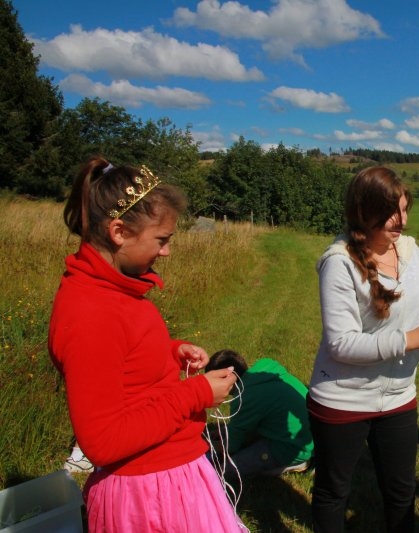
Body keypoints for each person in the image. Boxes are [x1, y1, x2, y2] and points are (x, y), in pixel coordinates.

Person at [48, 156, 245, 532]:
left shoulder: (110, 295)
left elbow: (121, 360)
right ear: (119, 232)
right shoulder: (91, 311)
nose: (166, 251)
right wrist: (197, 393)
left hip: (166, 474)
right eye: (161, 240)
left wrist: (171, 352)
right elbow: (103, 441)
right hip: (147, 493)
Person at [307, 166, 419, 533]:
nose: (401, 221)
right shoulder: (339, 262)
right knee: (333, 493)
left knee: (401, 492)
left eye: (404, 209)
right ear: (362, 212)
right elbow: (341, 343)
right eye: (390, 212)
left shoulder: (409, 250)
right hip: (342, 399)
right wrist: (410, 339)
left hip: (398, 396)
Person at [205, 349, 314, 478]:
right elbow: (249, 421)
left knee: (225, 469)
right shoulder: (263, 373)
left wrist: (206, 446)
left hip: (295, 448)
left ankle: (297, 463)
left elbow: (231, 446)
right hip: (312, 437)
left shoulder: (244, 398)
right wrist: (227, 430)